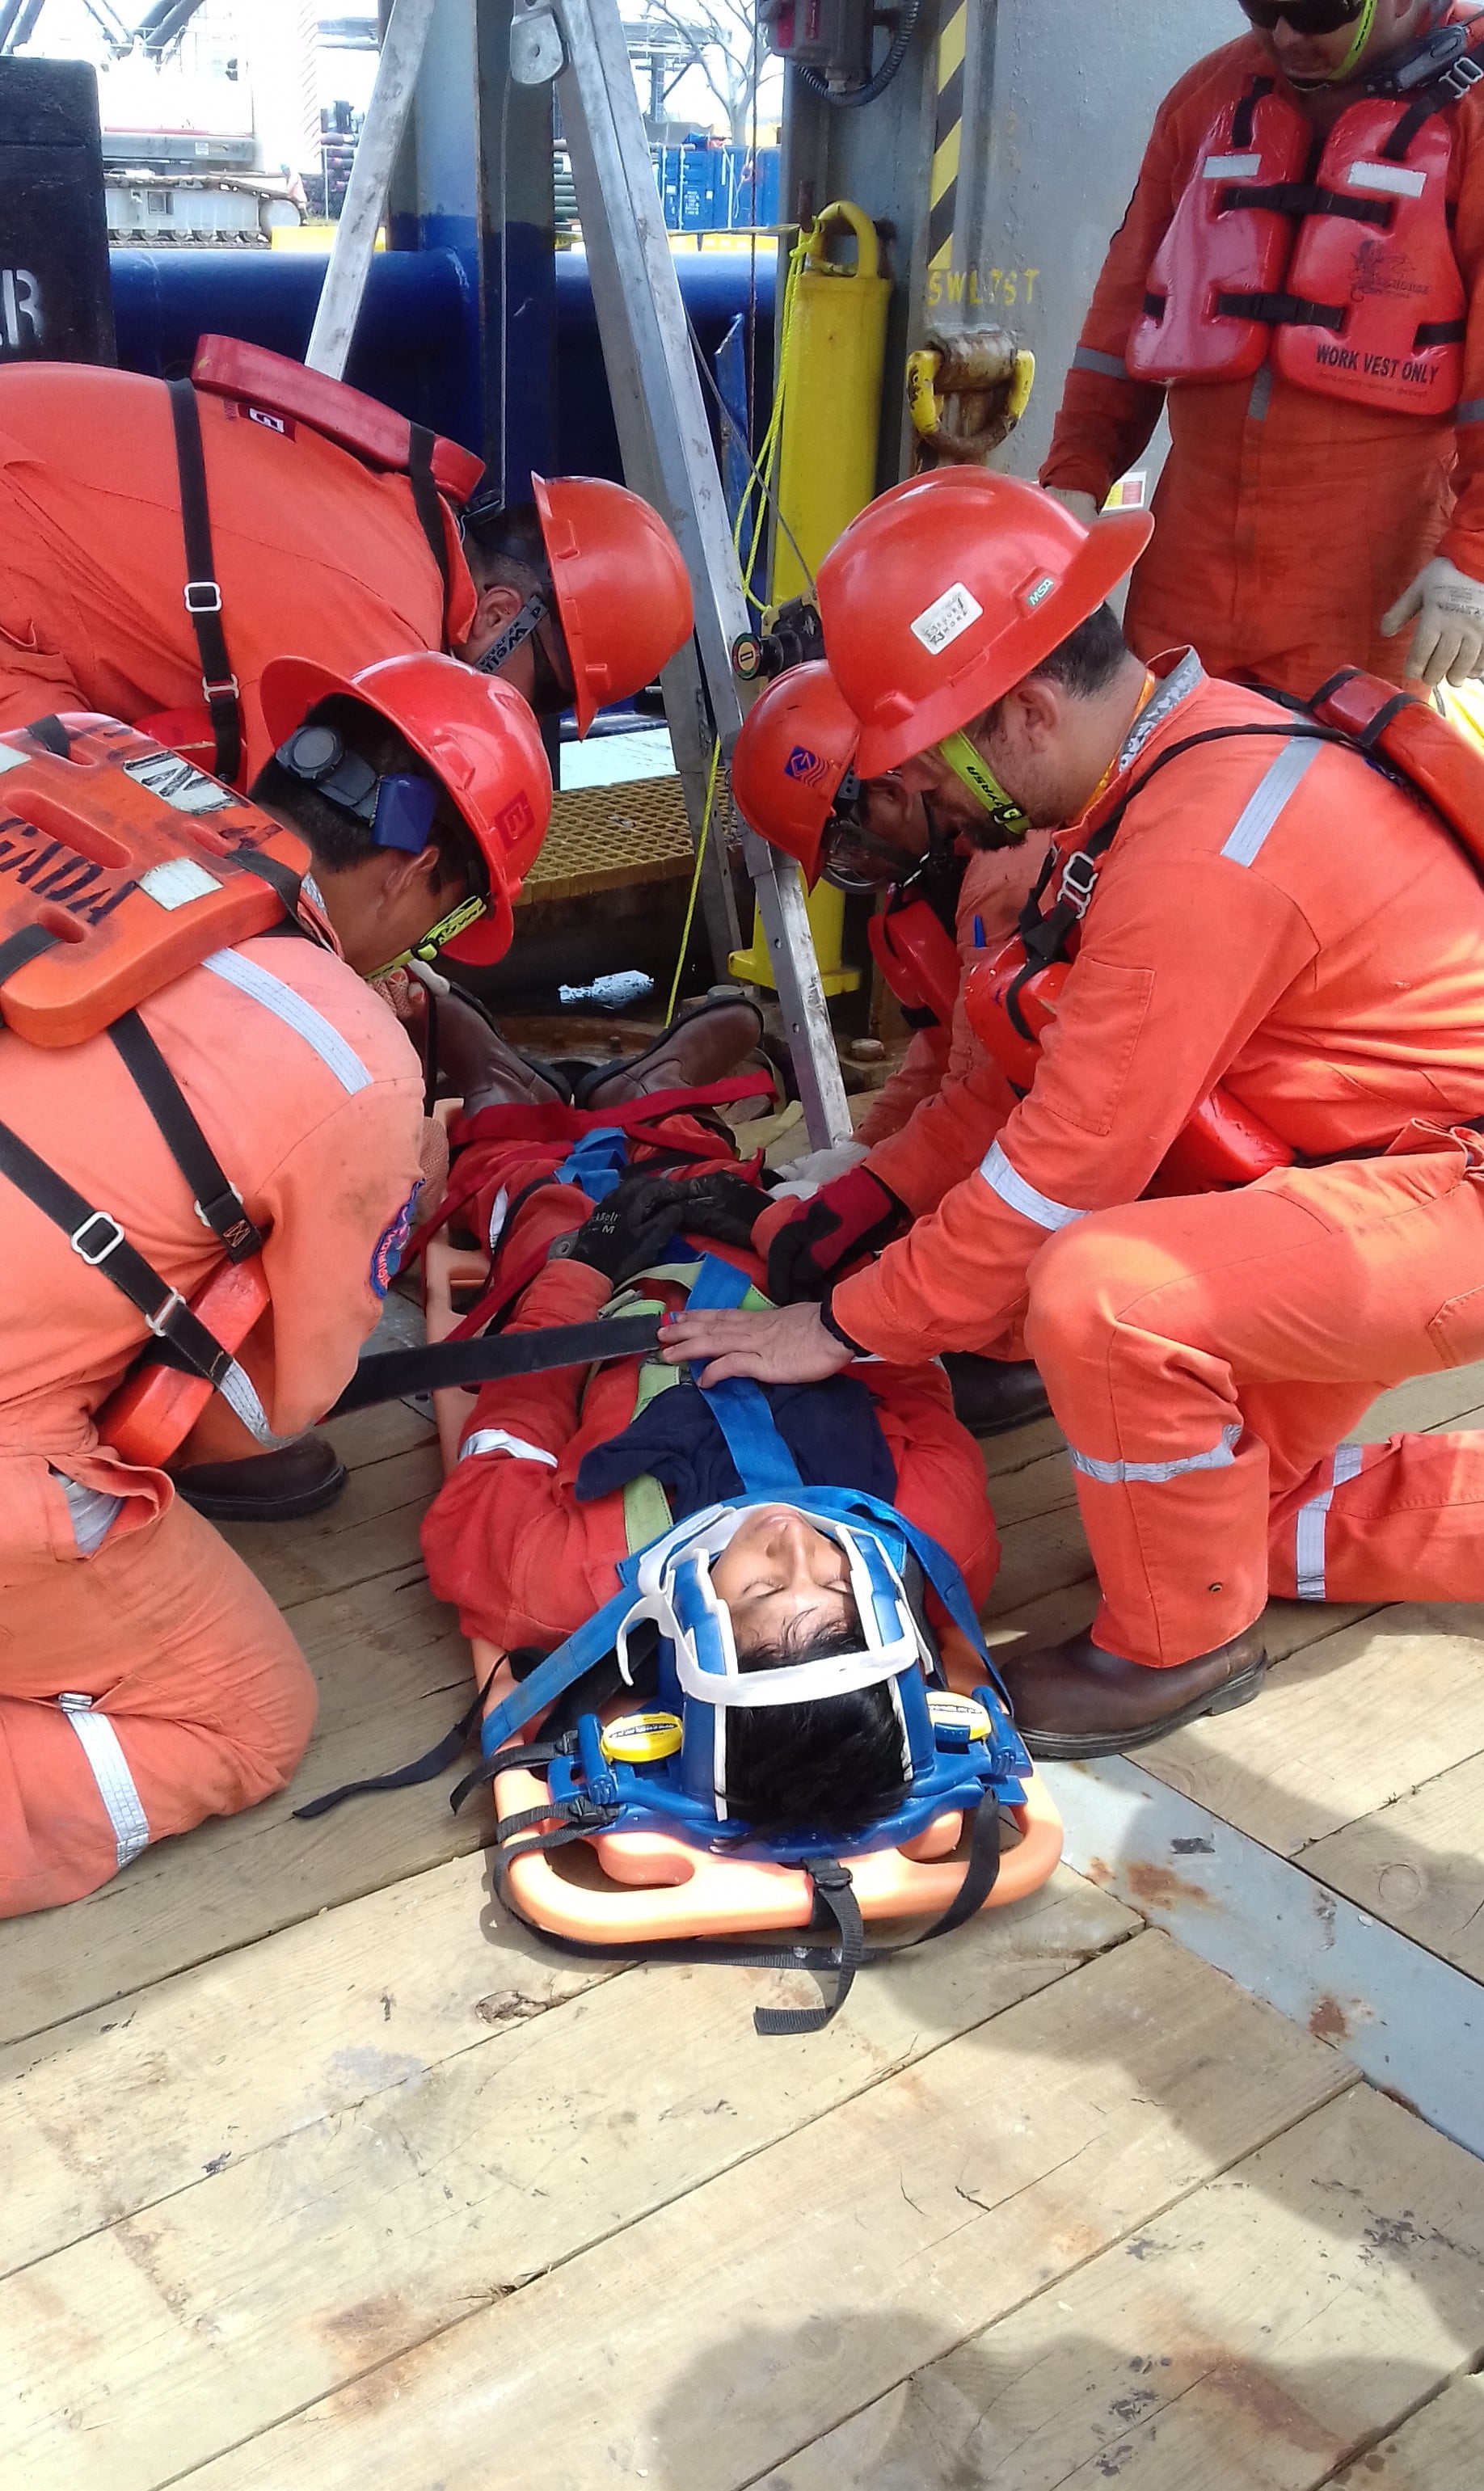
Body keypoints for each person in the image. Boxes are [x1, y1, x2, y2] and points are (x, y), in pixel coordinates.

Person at [663, 470, 1484, 1759]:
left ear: (1028, 713)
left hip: (1444, 1194)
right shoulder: (1161, 780)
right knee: (1228, 1528)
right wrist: (873, 1207)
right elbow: (1017, 1079)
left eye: (932, 774)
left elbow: (1062, 1171)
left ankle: (1177, 1650)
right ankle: (1230, 1588)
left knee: (1105, 1292)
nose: (930, 811)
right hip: (1365, 1176)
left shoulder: (1197, 850)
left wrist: (839, 1324)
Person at [0, 655, 550, 1916]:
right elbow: (259, 1416)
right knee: (244, 1717)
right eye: (447, 919)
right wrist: (389, 1179)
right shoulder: (346, 1057)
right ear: (417, 877)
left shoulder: (68, 751)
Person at [418, 1135, 1000, 1843]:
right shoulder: (940, 1531)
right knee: (703, 1150)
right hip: (784, 1277)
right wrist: (772, 1229)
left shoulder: (552, 1579)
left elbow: (517, 1411)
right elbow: (904, 1360)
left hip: (597, 1292)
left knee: (534, 1182)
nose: (795, 1542)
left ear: (693, 1633)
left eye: (762, 1589)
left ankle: (521, 1120)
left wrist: (582, 1269)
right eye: (838, 1584)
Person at [1040, 0, 1484, 698]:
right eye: (1262, 7)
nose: (1283, 35)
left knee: (1337, 797)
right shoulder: (1204, 100)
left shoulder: (1474, 113)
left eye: (1312, 11)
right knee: (1160, 783)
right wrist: (1075, 471)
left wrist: (1474, 561)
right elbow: (1123, 313)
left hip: (1366, 581)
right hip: (1188, 561)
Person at [0, 347, 693, 782]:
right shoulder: (379, 625)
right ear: (501, 612)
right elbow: (295, 843)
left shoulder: (390, 516)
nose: (515, 711)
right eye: (540, 693)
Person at [728, 657, 1049, 1435]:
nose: (860, 871)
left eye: (848, 847)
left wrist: (877, 1190)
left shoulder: (1010, 881)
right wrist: (861, 1157)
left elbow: (1010, 1099)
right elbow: (943, 1059)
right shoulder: (932, 894)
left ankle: (1025, 1347)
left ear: (895, 787)